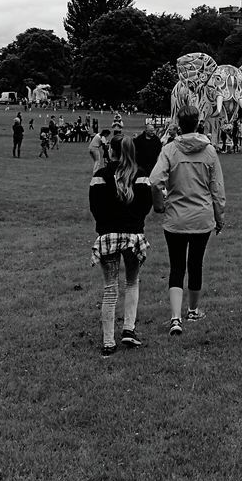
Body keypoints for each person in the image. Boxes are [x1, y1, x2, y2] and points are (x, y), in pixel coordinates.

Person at [148, 108, 225, 336]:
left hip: (175, 219)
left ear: (179, 125)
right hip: (202, 218)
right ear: (198, 124)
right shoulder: (210, 152)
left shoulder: (170, 150)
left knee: (177, 266)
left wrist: (158, 205)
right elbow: (217, 189)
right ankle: (192, 310)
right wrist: (219, 217)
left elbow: (154, 182)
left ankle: (175, 318)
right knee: (195, 264)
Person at [89, 136, 154, 357]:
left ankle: (108, 342)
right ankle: (128, 329)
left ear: (110, 150)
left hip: (108, 236)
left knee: (110, 289)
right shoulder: (142, 174)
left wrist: (106, 225)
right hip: (133, 235)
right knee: (132, 282)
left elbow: (95, 207)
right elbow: (146, 205)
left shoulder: (100, 176)